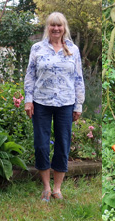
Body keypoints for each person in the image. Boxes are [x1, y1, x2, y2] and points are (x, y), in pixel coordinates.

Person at [24, 12, 85, 202]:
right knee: (41, 145)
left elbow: (78, 78)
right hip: (41, 103)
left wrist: (78, 105)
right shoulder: (37, 48)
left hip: (66, 104)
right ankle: (46, 188)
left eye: (59, 26)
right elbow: (30, 75)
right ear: (48, 28)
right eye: (52, 25)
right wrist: (28, 99)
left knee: (63, 144)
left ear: (64, 28)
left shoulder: (73, 50)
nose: (56, 29)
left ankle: (57, 188)